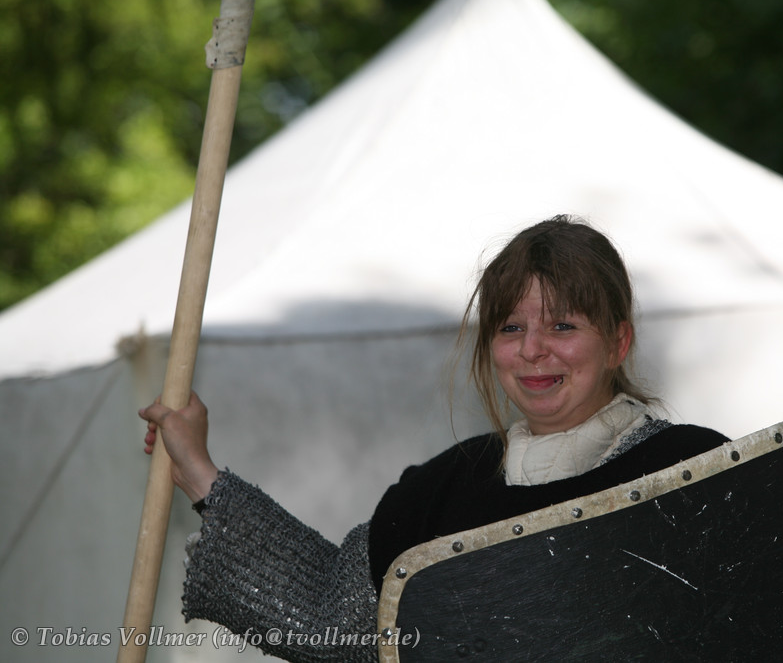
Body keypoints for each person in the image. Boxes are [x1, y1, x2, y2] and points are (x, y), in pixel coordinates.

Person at [140, 215, 728, 662]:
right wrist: (199, 472)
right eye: (511, 327)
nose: (532, 350)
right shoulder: (440, 490)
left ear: (618, 342)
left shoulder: (700, 474)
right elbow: (332, 619)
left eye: (563, 325)